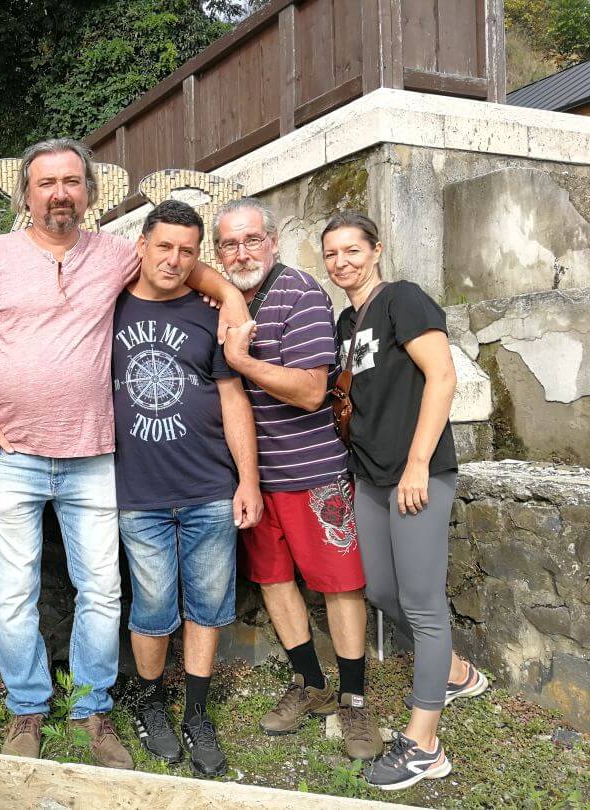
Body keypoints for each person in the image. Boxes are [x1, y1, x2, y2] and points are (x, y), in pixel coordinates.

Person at [0, 138, 246, 769]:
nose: (59, 194)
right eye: (46, 183)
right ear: (25, 193)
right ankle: (26, 708)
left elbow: (184, 265)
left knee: (103, 591)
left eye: (71, 182)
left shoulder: (114, 253)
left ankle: (92, 708)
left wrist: (233, 297)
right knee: (13, 593)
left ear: (88, 192)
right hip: (9, 453)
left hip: (91, 455)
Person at [322, 211, 488, 791]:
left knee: (421, 603)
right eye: (332, 253)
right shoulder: (347, 321)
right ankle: (456, 673)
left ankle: (424, 746)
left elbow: (442, 377)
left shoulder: (404, 299)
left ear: (376, 250)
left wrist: (418, 463)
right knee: (380, 590)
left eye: (352, 250)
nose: (342, 262)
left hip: (417, 474)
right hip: (370, 478)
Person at [216, 198, 382, 761]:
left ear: (273, 242)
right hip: (253, 477)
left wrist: (242, 361)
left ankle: (354, 700)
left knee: (340, 584)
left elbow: (312, 391)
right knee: (274, 580)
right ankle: (311, 684)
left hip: (314, 474)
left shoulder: (301, 293)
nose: (242, 253)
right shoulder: (227, 297)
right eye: (229, 244)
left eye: (252, 240)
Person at [112, 200, 262, 777]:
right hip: (139, 492)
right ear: (141, 246)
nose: (174, 260)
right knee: (151, 606)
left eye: (187, 251)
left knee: (209, 602)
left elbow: (233, 398)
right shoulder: (110, 305)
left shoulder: (208, 315)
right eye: (164, 247)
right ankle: (151, 703)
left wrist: (247, 479)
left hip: (209, 487)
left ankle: (196, 713)